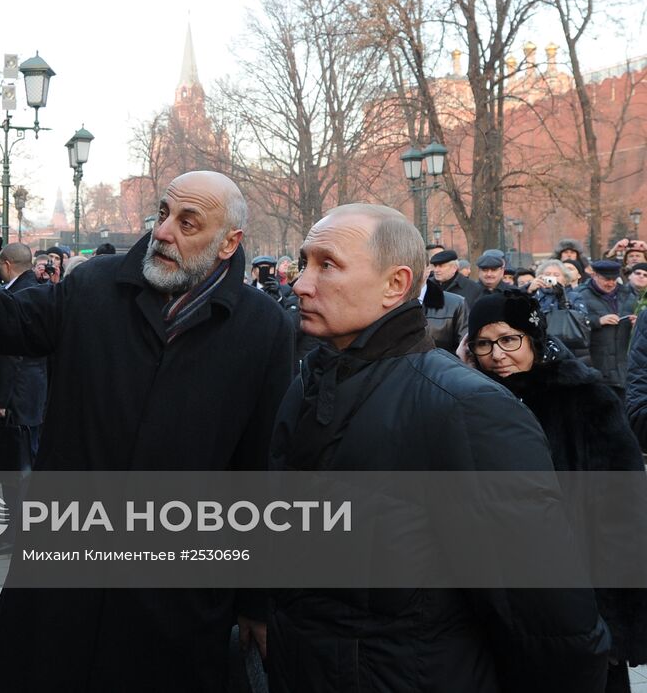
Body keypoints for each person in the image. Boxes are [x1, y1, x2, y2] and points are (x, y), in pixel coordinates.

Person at [0, 173, 293, 692]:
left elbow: (260, 472)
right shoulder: (95, 286)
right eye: (162, 214)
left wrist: (254, 602)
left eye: (188, 223)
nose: (162, 232)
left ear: (230, 243)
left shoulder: (265, 329)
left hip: (174, 593)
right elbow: (8, 321)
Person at [269, 203, 609, 692]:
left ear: (395, 284)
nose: (301, 283)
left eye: (327, 265)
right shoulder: (307, 385)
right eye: (304, 263)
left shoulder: (466, 408)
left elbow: (548, 617)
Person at [466, 290, 647, 693]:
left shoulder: (586, 398)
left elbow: (623, 511)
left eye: (508, 339)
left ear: (533, 337)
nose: (497, 354)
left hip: (580, 602)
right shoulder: (465, 401)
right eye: (483, 343)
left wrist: (616, 622)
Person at [0, 243, 48, 557]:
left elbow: (9, 353)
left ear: (6, 264)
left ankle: (17, 536)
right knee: (25, 466)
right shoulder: (38, 289)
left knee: (16, 470)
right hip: (32, 394)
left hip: (17, 397)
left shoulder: (18, 295)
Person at [581, 259, 636, 388]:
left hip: (624, 367)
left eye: (614, 279)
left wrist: (636, 323)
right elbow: (573, 326)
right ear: (594, 276)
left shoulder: (628, 294)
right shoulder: (580, 295)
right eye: (606, 279)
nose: (611, 283)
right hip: (596, 364)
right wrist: (597, 321)